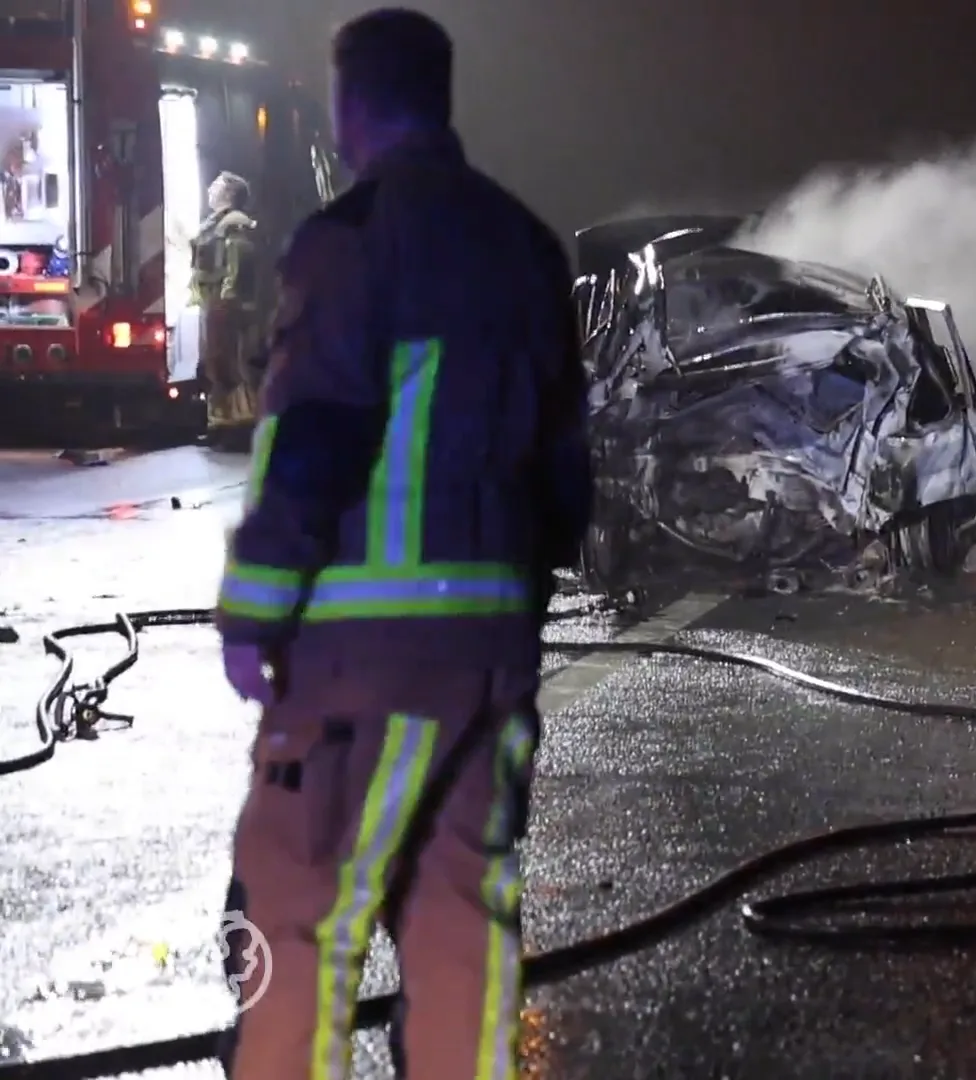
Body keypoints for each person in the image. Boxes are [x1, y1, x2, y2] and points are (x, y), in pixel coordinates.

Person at [212, 8, 590, 1078]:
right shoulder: (524, 246)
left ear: (353, 103)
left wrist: (254, 613)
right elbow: (567, 480)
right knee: (463, 934)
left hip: (361, 655)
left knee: (296, 926)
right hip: (492, 657)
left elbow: (316, 434)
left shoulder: (353, 240)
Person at [190, 171, 261, 449]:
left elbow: (238, 261)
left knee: (230, 363)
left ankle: (241, 423)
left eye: (216, 185)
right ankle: (220, 423)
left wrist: (229, 295)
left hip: (226, 303)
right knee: (215, 363)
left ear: (229, 192)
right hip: (213, 300)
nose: (210, 188)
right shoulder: (215, 224)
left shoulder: (234, 223)